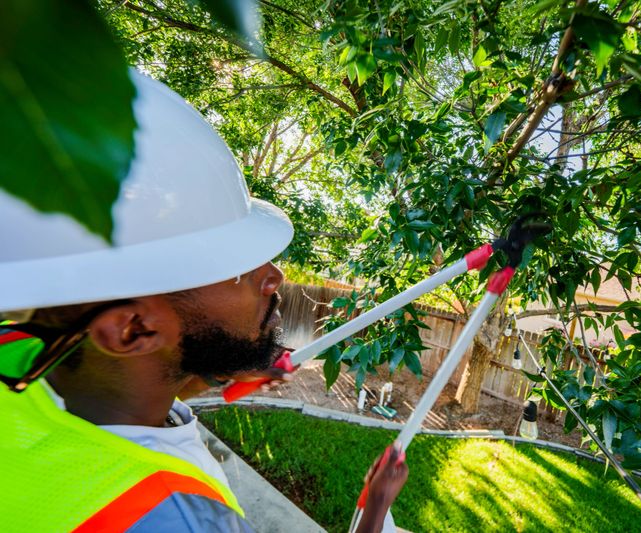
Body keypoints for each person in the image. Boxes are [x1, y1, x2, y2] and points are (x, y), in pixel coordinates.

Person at [0, 71, 407, 532]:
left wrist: (208, 373)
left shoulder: (19, 355)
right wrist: (374, 515)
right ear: (133, 328)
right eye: (235, 269)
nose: (275, 276)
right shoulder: (180, 519)